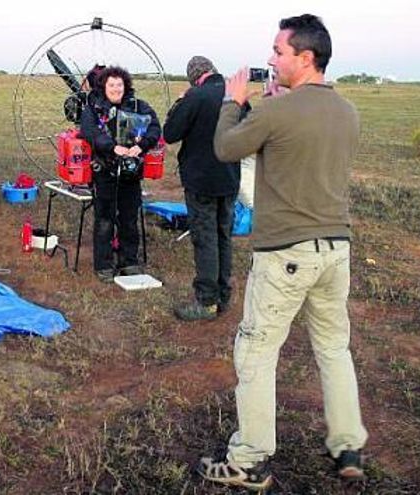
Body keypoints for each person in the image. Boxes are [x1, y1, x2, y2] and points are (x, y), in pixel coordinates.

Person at [197, 14, 368, 490]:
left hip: (286, 254)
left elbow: (227, 148)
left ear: (305, 58)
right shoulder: (346, 111)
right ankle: (347, 444)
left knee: (255, 351)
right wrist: (274, 107)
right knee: (334, 348)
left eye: (278, 52)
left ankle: (248, 459)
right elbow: (299, 151)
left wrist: (235, 102)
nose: (270, 61)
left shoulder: (276, 112)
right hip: (336, 250)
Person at [163, 56, 246, 321]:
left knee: (205, 237)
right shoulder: (236, 94)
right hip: (230, 177)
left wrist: (180, 102)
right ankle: (222, 294)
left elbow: (171, 132)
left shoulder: (195, 96)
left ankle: (207, 301)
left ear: (194, 77)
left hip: (202, 180)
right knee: (223, 235)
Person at [79, 66, 161, 282]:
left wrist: (141, 146)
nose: (116, 89)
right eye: (111, 85)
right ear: (104, 87)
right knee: (105, 219)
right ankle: (104, 265)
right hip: (105, 171)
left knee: (129, 218)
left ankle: (129, 262)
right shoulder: (93, 109)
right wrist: (111, 147)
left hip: (130, 172)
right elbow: (89, 132)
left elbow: (155, 128)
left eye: (119, 85)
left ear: (126, 86)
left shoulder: (138, 106)